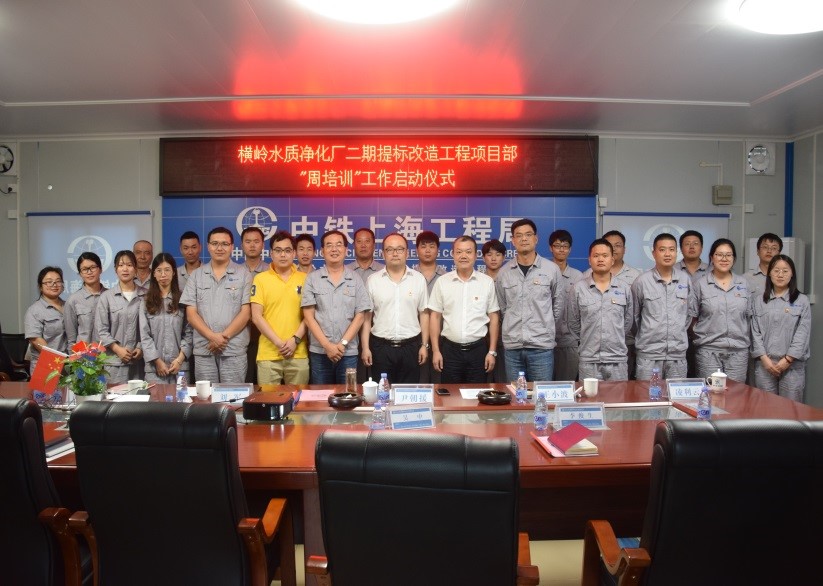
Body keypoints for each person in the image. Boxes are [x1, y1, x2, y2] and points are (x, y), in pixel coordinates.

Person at [180, 227, 252, 383]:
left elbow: (246, 313)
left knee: (233, 396)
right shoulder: (196, 276)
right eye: (215, 244)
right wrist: (213, 337)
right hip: (205, 349)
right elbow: (191, 315)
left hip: (233, 349)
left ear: (232, 247)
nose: (220, 248)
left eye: (225, 244)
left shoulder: (244, 274)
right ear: (208, 246)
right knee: (206, 396)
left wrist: (223, 338)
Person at [495, 218, 562, 382]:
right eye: (518, 235)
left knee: (540, 394)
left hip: (541, 347)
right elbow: (503, 308)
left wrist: (544, 326)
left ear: (536, 239)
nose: (523, 239)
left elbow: (558, 307)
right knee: (516, 395)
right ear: (513, 241)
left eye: (528, 234)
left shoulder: (551, 270)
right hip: (513, 347)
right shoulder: (504, 273)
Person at [301, 230, 371, 384]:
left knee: (349, 394)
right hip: (319, 352)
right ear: (322, 251)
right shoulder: (312, 279)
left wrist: (342, 344)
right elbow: (309, 317)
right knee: (321, 396)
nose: (334, 249)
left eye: (339, 245)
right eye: (329, 245)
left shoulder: (355, 279)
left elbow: (360, 316)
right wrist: (327, 346)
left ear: (346, 250)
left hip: (348, 352)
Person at [429, 236, 499, 383]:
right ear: (453, 255)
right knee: (450, 394)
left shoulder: (486, 282)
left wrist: (492, 351)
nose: (463, 256)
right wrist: (435, 351)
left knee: (478, 394)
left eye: (468, 251)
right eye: (459, 252)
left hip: (478, 350)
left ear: (476, 255)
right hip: (450, 351)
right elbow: (435, 317)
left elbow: (494, 317)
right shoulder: (442, 282)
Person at [361, 233, 429, 384]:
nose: (395, 253)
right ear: (383, 254)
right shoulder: (373, 280)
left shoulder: (418, 279)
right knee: (382, 393)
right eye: (390, 249)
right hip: (381, 348)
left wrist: (424, 345)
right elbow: (366, 318)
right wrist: (365, 347)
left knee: (408, 393)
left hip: (411, 347)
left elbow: (424, 315)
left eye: (399, 249)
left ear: (407, 253)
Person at [567, 239, 633, 381]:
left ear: (612, 260)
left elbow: (627, 322)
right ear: (589, 260)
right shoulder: (578, 289)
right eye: (596, 256)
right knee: (589, 396)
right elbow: (573, 323)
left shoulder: (624, 288)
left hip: (617, 359)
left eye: (605, 255)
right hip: (589, 360)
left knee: (619, 395)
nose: (600, 259)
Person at [250, 230, 309, 385]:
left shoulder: (306, 279)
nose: (283, 255)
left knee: (298, 400)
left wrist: (295, 340)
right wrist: (278, 343)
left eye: (287, 250)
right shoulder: (260, 279)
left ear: (294, 253)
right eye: (278, 250)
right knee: (267, 399)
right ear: (271, 253)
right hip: (268, 354)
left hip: (298, 353)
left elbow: (309, 316)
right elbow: (256, 316)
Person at [688, 238, 751, 382]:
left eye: (728, 255)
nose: (724, 259)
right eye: (719, 255)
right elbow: (691, 318)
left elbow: (748, 317)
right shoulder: (700, 284)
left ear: (734, 258)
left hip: (738, 351)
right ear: (712, 257)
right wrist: (701, 337)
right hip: (708, 351)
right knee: (710, 392)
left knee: (736, 393)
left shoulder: (743, 284)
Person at [750, 254, 811, 402]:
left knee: (791, 409)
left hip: (792, 366)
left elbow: (802, 333)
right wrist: (764, 359)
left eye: (785, 271)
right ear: (769, 273)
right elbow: (755, 332)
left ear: (792, 274)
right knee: (765, 408)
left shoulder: (802, 300)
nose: (780, 275)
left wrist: (788, 360)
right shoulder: (759, 301)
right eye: (776, 270)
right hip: (765, 365)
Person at [632, 233, 691, 380]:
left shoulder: (685, 279)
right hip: (649, 355)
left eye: (671, 249)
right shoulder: (642, 281)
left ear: (677, 252)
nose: (667, 254)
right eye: (662, 249)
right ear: (654, 253)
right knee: (646, 393)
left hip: (677, 354)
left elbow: (689, 314)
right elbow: (634, 318)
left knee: (676, 394)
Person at [139, 253, 192, 384]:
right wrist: (157, 361)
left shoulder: (183, 299)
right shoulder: (146, 301)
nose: (163, 274)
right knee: (155, 398)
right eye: (159, 270)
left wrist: (179, 360)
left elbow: (189, 333)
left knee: (180, 397)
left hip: (179, 368)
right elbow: (144, 335)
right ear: (154, 274)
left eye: (167, 270)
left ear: (173, 272)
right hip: (154, 369)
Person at [95, 250, 145, 383]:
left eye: (129, 265)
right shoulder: (106, 297)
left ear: (135, 268)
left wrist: (140, 348)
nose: (125, 269)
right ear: (115, 269)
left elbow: (151, 328)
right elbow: (101, 330)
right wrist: (118, 349)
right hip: (114, 363)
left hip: (140, 362)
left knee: (140, 395)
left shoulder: (146, 295)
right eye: (121, 265)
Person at [549, 229, 583, 381]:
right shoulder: (544, 272)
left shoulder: (578, 276)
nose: (561, 249)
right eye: (557, 246)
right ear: (551, 248)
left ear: (570, 249)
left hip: (570, 341)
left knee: (567, 384)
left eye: (565, 246)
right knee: (543, 384)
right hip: (545, 340)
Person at [413, 230, 446, 384]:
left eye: (432, 246)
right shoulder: (409, 276)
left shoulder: (446, 278)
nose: (427, 250)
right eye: (423, 246)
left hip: (442, 338)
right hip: (413, 338)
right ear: (416, 250)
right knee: (418, 381)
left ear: (438, 250)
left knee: (439, 381)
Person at [24, 266, 67, 374]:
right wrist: (57, 359)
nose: (54, 285)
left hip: (68, 365)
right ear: (40, 287)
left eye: (58, 281)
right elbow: (35, 340)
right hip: (46, 366)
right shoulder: (34, 310)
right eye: (49, 282)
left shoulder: (69, 306)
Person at [240, 226, 270, 384]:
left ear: (263, 245)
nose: (252, 245)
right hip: (240, 332)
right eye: (248, 241)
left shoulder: (272, 271)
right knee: (245, 379)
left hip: (266, 332)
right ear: (241, 245)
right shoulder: (235, 271)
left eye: (256, 241)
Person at [64, 252, 106, 347]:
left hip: (108, 353)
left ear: (100, 269)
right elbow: (71, 339)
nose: (89, 272)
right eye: (84, 269)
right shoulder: (73, 300)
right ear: (80, 273)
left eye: (93, 267)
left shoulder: (110, 296)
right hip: (83, 354)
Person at [482, 239, 508, 382]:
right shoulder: (477, 280)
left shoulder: (509, 280)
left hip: (505, 337)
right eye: (489, 254)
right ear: (483, 257)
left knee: (502, 380)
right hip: (481, 337)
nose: (493, 258)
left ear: (504, 257)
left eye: (498, 254)